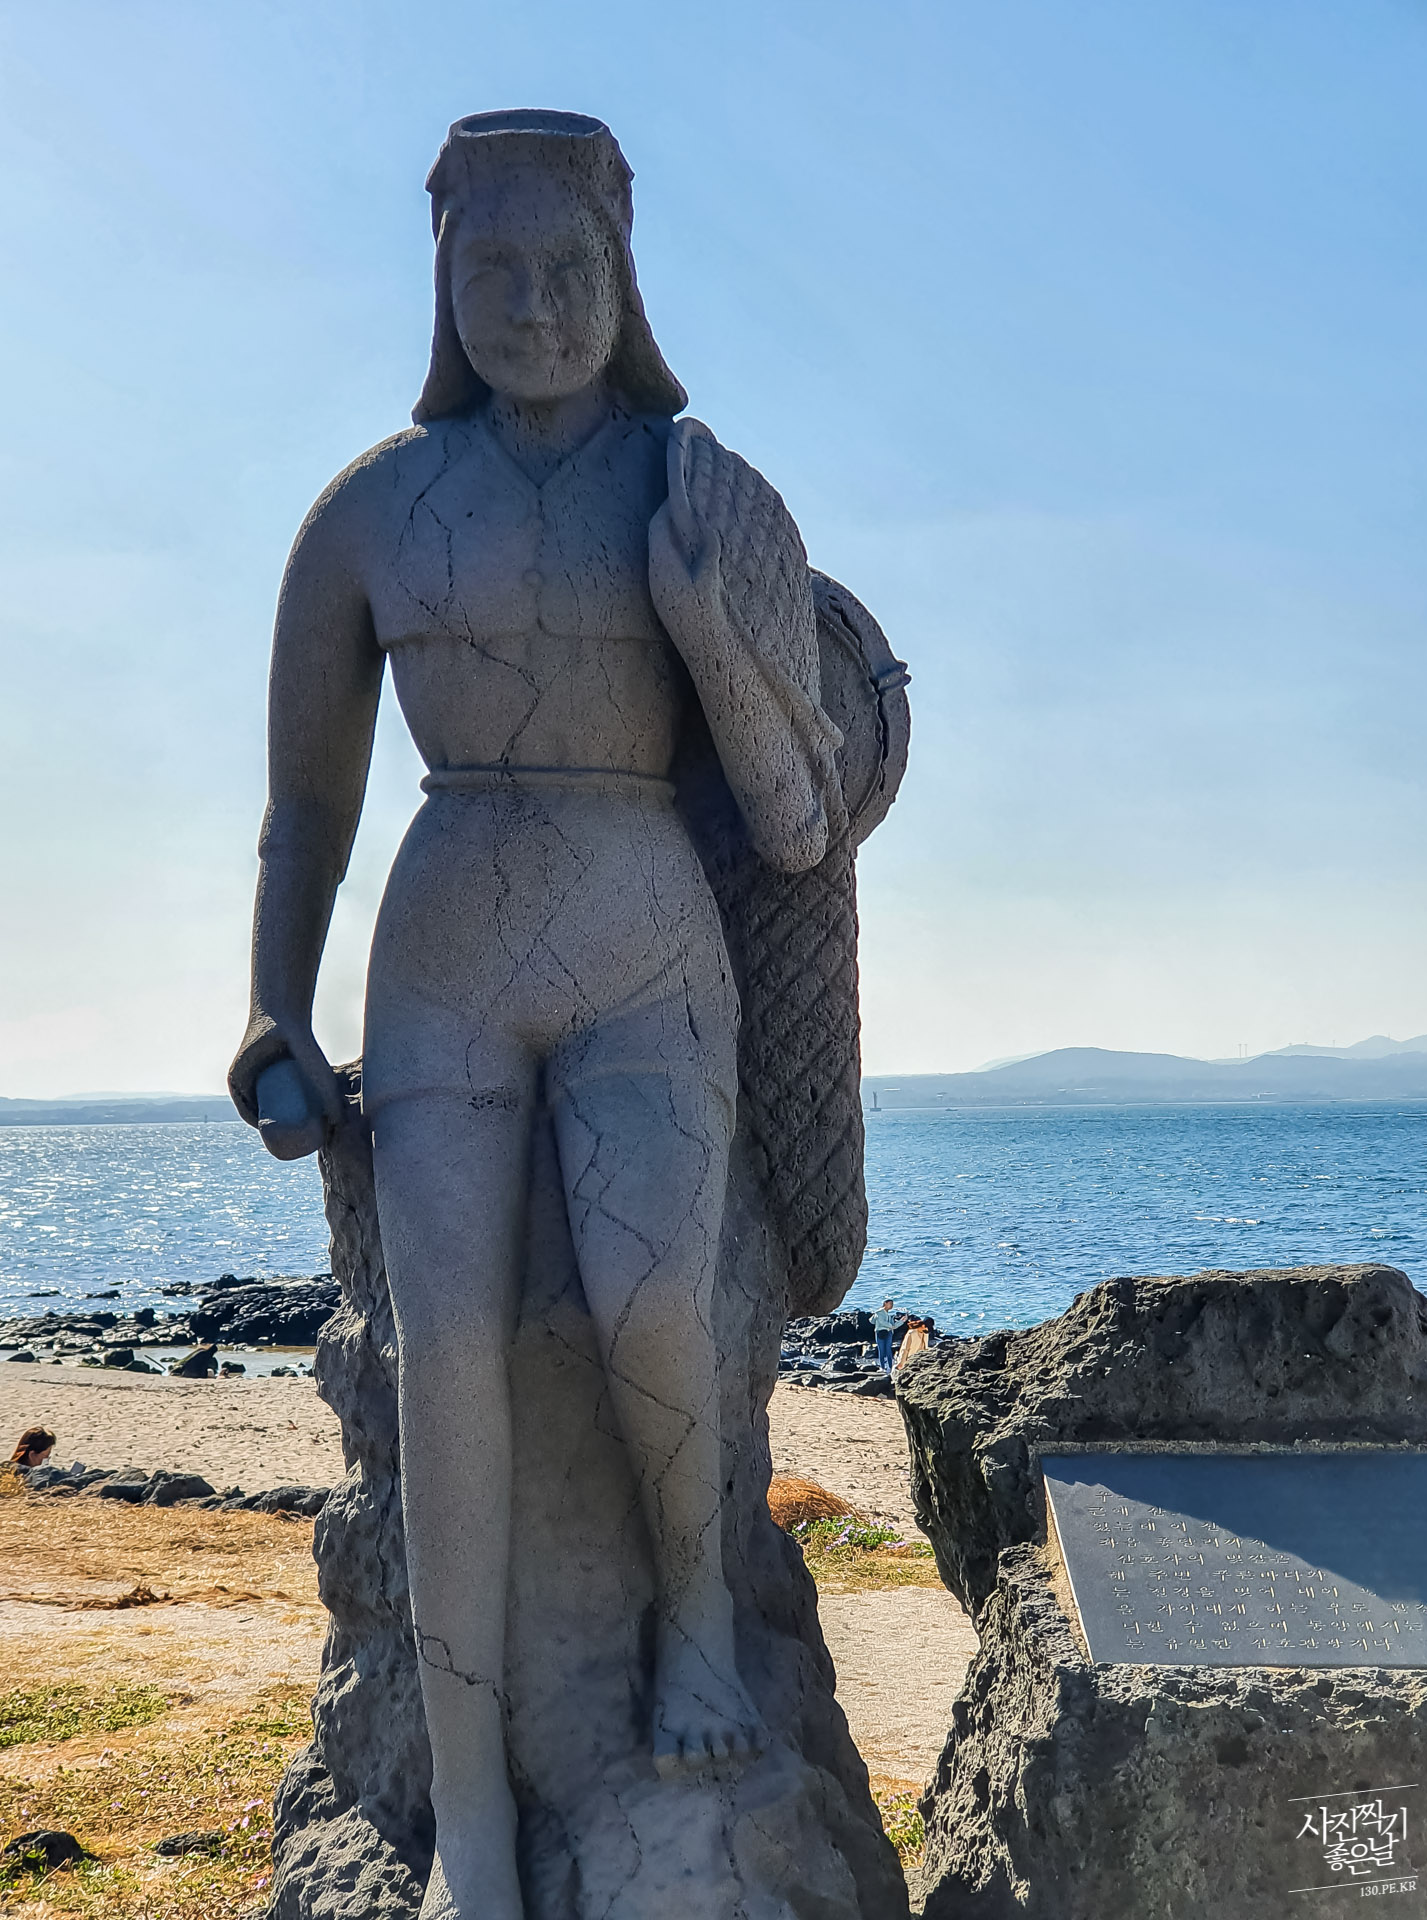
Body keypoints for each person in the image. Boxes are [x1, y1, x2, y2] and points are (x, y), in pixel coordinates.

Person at [227, 111, 846, 1920]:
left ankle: (698, 1620)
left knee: (656, 1297)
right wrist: (270, 1008)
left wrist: (709, 626)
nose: (534, 307)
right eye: (492, 270)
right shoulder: (367, 515)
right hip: (445, 943)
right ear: (441, 279)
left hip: (646, 927)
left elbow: (799, 810)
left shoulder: (699, 487)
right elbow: (308, 810)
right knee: (450, 1356)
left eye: (569, 268)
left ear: (623, 273)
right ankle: (474, 1814)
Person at [872, 1298, 902, 1372]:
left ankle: (890, 1367)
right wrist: (892, 1326)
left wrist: (901, 1321)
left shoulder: (889, 1314)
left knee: (888, 1349)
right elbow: (882, 1322)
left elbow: (893, 1325)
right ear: (885, 1303)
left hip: (888, 1332)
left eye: (892, 1304)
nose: (892, 1305)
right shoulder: (879, 1312)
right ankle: (882, 1367)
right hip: (880, 1332)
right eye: (890, 1304)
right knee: (881, 1350)